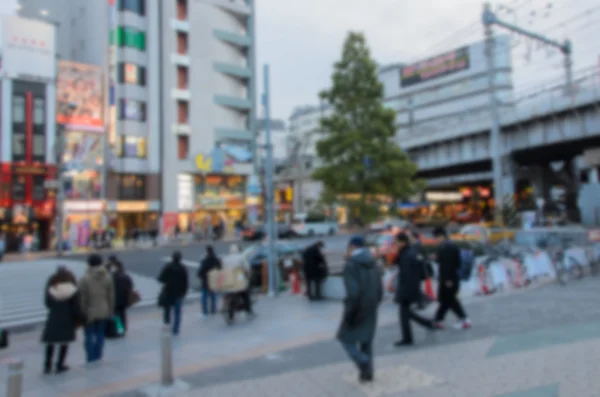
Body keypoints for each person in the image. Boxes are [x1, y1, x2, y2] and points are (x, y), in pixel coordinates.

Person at [337, 235, 383, 383]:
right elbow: (380, 287)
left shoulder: (351, 264)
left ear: (352, 246)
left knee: (345, 338)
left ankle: (362, 360)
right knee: (366, 341)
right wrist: (376, 301)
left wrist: (350, 311)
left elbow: (353, 292)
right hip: (372, 305)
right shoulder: (373, 262)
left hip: (357, 307)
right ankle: (367, 374)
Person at [393, 233, 437, 347]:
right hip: (410, 288)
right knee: (406, 313)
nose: (396, 244)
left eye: (397, 242)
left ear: (403, 242)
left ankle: (407, 338)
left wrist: (404, 291)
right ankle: (427, 324)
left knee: (404, 314)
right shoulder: (408, 253)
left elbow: (408, 275)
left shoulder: (407, 255)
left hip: (408, 289)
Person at [42, 266, 84, 374]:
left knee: (50, 342)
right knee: (64, 343)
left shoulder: (52, 288)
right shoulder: (73, 289)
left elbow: (47, 303)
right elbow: (76, 308)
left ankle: (47, 365)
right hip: (67, 318)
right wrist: (81, 318)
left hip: (54, 316)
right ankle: (60, 364)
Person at [432, 227, 471, 330]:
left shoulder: (447, 247)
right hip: (449, 277)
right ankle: (437, 320)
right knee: (446, 300)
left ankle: (464, 319)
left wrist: (448, 280)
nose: (436, 240)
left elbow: (448, 265)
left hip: (448, 279)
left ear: (441, 236)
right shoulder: (448, 246)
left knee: (450, 300)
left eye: (437, 237)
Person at [79, 254, 114, 363]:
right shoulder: (107, 277)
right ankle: (98, 356)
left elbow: (82, 297)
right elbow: (111, 296)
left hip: (89, 311)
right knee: (100, 334)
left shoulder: (85, 278)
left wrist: (82, 311)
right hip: (104, 309)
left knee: (89, 335)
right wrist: (110, 310)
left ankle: (90, 357)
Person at [158, 251, 189, 335]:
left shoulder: (168, 267)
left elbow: (160, 278)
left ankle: (167, 326)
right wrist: (184, 292)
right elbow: (186, 282)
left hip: (168, 291)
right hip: (178, 293)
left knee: (167, 311)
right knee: (177, 313)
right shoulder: (183, 268)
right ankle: (176, 329)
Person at [221, 244, 254, 320]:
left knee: (231, 296)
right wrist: (248, 275)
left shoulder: (225, 258)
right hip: (238, 282)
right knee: (245, 295)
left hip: (228, 282)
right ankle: (248, 311)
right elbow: (247, 268)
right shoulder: (240, 257)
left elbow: (222, 269)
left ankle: (231, 316)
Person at [108, 255, 134, 333]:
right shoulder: (124, 276)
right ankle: (123, 329)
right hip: (123, 297)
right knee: (122, 314)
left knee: (116, 315)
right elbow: (130, 285)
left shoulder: (111, 276)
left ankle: (120, 329)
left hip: (114, 298)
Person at [197, 245, 222, 317]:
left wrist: (200, 276)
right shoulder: (216, 259)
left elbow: (201, 271)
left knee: (204, 296)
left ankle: (205, 311)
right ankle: (213, 310)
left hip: (206, 280)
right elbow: (220, 268)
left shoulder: (205, 260)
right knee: (213, 296)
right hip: (214, 280)